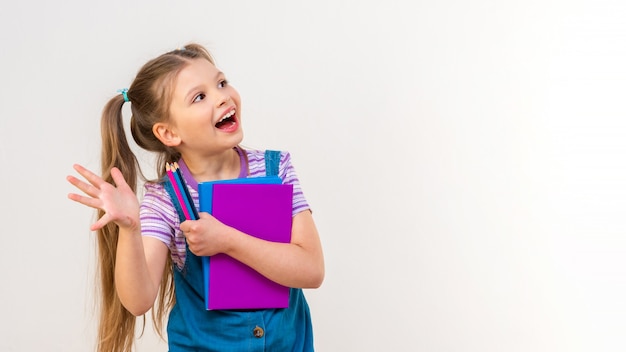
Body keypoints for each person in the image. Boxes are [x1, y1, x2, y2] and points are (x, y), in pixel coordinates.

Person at [66, 43, 325, 352]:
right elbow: (138, 301)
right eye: (200, 97)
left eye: (221, 82)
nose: (223, 96)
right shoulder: (164, 200)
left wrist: (228, 241)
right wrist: (129, 229)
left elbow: (312, 269)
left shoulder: (277, 168)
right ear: (169, 134)